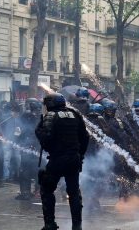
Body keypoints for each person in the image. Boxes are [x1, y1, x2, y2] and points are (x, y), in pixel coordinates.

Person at [35, 93, 89, 230]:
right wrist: (80, 155)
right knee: (74, 193)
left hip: (57, 159)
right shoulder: (75, 114)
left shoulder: (51, 116)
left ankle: (50, 224)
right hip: (74, 159)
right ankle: (77, 226)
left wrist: (39, 128)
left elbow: (45, 137)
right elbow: (85, 137)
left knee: (46, 188)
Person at [15, 98, 42, 200]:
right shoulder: (42, 117)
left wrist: (18, 142)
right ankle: (37, 191)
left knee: (26, 170)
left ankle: (27, 192)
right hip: (36, 148)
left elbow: (17, 132)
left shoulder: (24, 117)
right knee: (37, 170)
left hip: (31, 147)